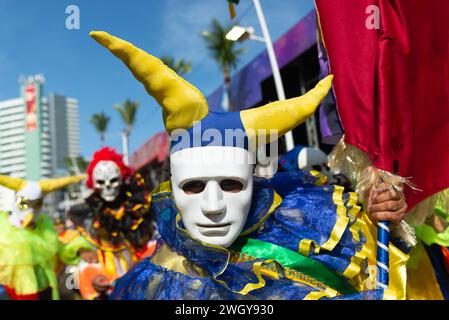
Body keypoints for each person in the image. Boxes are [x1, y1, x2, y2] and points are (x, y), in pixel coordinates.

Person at [90, 31, 409, 300]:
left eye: (230, 184)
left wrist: (386, 221)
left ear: (252, 182)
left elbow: (387, 272)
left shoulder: (299, 223)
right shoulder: (154, 285)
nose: (213, 207)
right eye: (193, 186)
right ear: (172, 190)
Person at [64, 147, 155, 300]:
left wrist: (142, 264)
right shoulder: (87, 213)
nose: (107, 187)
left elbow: (158, 241)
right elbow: (73, 251)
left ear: (121, 179)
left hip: (144, 276)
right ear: (94, 184)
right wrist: (83, 254)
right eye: (101, 182)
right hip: (105, 278)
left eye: (113, 181)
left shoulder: (139, 207)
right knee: (74, 275)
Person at [0, 175, 85, 300]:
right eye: (24, 203)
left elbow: (66, 255)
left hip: (47, 286)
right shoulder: (4, 231)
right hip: (10, 289)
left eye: (37, 205)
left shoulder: (47, 232)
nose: (30, 210)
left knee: (73, 270)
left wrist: (81, 250)